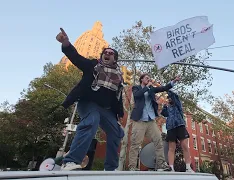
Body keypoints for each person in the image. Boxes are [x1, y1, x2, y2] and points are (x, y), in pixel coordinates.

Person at [56, 28, 124, 171]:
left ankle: (111, 168)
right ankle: (71, 161)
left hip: (106, 110)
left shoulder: (119, 76)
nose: (107, 54)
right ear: (102, 56)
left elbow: (116, 99)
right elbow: (76, 57)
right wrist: (66, 43)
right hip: (88, 103)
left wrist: (117, 116)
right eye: (105, 52)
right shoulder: (93, 66)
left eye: (111, 53)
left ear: (115, 59)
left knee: (117, 132)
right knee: (91, 121)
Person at [128, 74, 180, 171]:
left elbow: (163, 88)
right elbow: (137, 95)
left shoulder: (151, 89)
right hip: (139, 120)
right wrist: (147, 87)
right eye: (147, 78)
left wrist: (174, 81)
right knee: (135, 143)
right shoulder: (136, 88)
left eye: (149, 78)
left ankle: (161, 164)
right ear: (141, 79)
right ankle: (132, 166)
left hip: (151, 120)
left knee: (158, 141)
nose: (149, 79)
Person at [160, 90, 194, 172]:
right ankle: (171, 167)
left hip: (180, 126)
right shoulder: (168, 108)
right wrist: (164, 105)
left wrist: (167, 88)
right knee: (171, 148)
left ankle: (188, 167)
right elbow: (163, 113)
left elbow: (175, 96)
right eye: (168, 98)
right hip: (171, 128)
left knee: (185, 146)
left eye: (170, 98)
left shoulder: (178, 105)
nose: (169, 99)